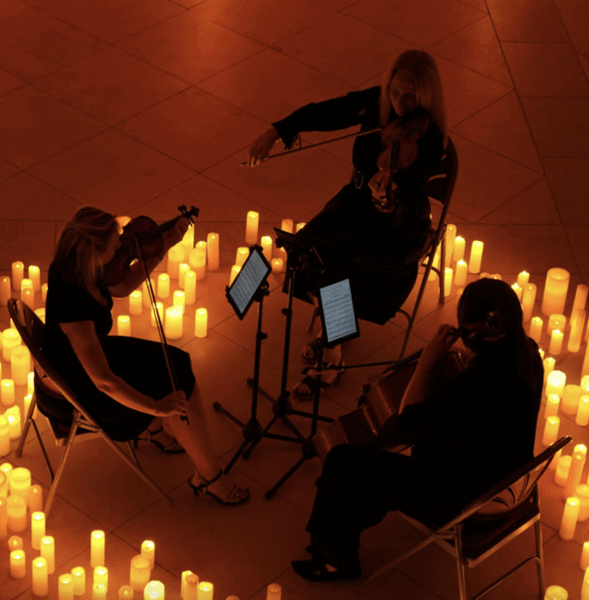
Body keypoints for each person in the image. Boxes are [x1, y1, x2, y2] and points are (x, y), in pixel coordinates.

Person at [291, 278, 543, 581]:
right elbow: (488, 394)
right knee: (371, 469)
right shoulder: (529, 355)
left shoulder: (470, 388)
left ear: (474, 331)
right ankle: (352, 511)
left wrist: (427, 360)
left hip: (466, 503)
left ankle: (335, 558)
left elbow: (405, 422)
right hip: (511, 486)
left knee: (342, 461)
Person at [247, 50, 448, 397]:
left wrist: (388, 194)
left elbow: (411, 189)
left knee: (332, 266)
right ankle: (334, 329)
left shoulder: (428, 138)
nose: (400, 101)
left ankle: (333, 356)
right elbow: (327, 111)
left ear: (426, 95)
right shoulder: (378, 102)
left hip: (399, 225)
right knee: (305, 250)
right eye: (395, 91)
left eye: (410, 95)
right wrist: (278, 130)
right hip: (355, 200)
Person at [40, 206, 249, 505]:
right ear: (96, 253)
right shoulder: (73, 299)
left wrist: (163, 248)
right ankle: (209, 476)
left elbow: (122, 285)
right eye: (116, 244)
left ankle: (155, 433)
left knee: (177, 363)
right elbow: (104, 382)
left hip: (79, 361)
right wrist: (156, 407)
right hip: (75, 387)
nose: (122, 245)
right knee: (176, 382)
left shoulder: (77, 263)